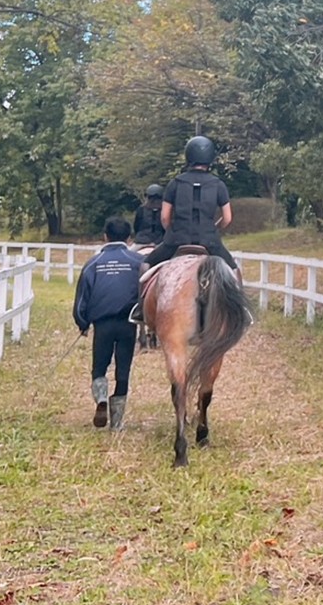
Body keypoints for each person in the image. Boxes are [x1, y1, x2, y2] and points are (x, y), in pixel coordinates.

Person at [73, 216, 146, 431]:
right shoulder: (138, 262)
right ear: (129, 237)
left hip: (102, 325)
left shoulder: (93, 264)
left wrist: (82, 322)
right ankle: (117, 423)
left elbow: (81, 299)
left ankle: (102, 398)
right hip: (128, 323)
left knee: (99, 367)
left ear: (105, 236)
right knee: (123, 370)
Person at [142, 136, 237, 273]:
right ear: (210, 158)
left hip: (176, 240)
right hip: (209, 242)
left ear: (188, 156)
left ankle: (140, 295)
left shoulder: (175, 183)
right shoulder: (218, 185)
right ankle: (239, 294)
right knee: (233, 270)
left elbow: (164, 218)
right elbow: (227, 218)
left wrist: (173, 231)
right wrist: (213, 228)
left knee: (146, 264)